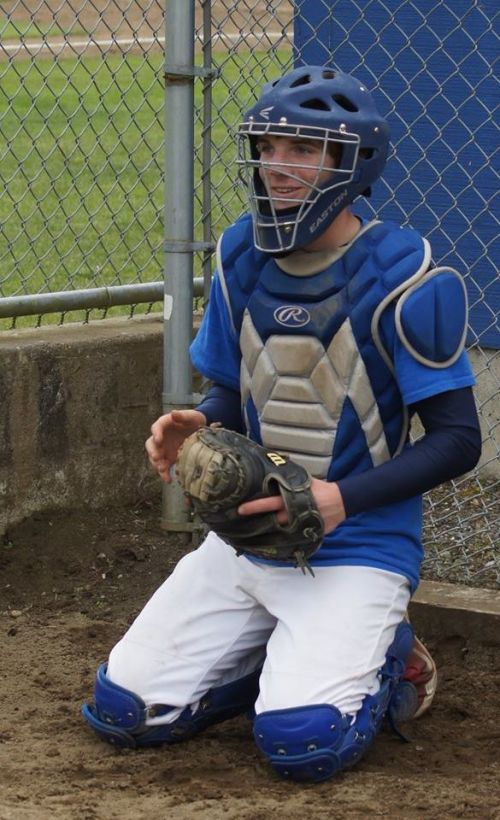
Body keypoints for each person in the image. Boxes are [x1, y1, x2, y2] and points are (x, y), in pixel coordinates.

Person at [82, 66, 481, 782]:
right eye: (269, 145)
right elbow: (233, 394)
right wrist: (197, 422)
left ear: (350, 161)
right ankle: (275, 658)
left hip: (359, 545)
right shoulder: (241, 256)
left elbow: (458, 441)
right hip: (248, 536)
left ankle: (393, 655)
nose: (279, 165)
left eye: (305, 149)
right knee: (123, 712)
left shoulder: (409, 276)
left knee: (303, 747)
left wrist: (339, 500)